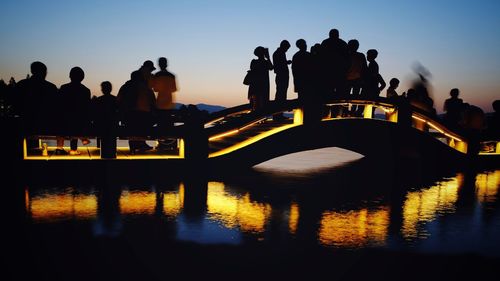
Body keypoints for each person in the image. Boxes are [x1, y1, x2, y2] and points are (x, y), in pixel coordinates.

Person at [15, 61, 58, 151]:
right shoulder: (51, 87)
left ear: (32, 71)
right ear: (44, 72)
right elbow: (56, 108)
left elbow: (15, 104)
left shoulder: (21, 85)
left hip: (25, 123)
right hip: (47, 123)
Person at [56, 67, 91, 155]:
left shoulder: (64, 88)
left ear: (70, 76)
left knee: (64, 118)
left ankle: (59, 148)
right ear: (82, 77)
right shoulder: (86, 91)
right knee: (78, 117)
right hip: (79, 122)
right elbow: (86, 108)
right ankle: (76, 146)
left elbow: (59, 105)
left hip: (64, 120)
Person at [153, 57, 178, 151]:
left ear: (159, 65)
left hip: (159, 102)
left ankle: (162, 144)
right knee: (169, 124)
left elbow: (155, 89)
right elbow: (174, 89)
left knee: (160, 124)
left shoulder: (157, 75)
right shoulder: (171, 75)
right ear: (166, 64)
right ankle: (170, 144)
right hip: (169, 102)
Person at [321, 28, 349, 99]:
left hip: (328, 71)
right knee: (340, 93)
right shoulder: (343, 43)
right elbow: (347, 57)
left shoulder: (325, 43)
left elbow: (321, 56)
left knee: (329, 92)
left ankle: (328, 108)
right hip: (340, 71)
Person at [93, 81, 117, 158]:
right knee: (112, 134)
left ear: (102, 89)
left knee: (104, 133)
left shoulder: (99, 100)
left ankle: (104, 153)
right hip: (112, 124)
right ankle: (112, 153)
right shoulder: (115, 99)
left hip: (101, 124)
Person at [247, 46, 273, 111]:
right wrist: (268, 58)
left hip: (255, 83)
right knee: (261, 100)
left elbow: (271, 68)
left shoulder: (254, 62)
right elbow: (271, 67)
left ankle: (255, 112)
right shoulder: (264, 62)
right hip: (262, 83)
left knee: (255, 101)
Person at [346, 39, 367, 114]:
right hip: (357, 79)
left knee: (346, 96)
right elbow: (365, 68)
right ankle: (353, 110)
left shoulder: (346, 55)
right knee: (356, 96)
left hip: (347, 79)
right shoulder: (361, 56)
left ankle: (345, 111)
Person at [272, 40, 292, 120]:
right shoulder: (279, 53)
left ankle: (278, 114)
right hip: (281, 76)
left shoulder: (278, 53)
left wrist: (286, 62)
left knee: (281, 94)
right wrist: (286, 62)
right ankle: (278, 114)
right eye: (286, 48)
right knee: (281, 94)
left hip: (281, 75)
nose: (287, 50)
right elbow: (279, 65)